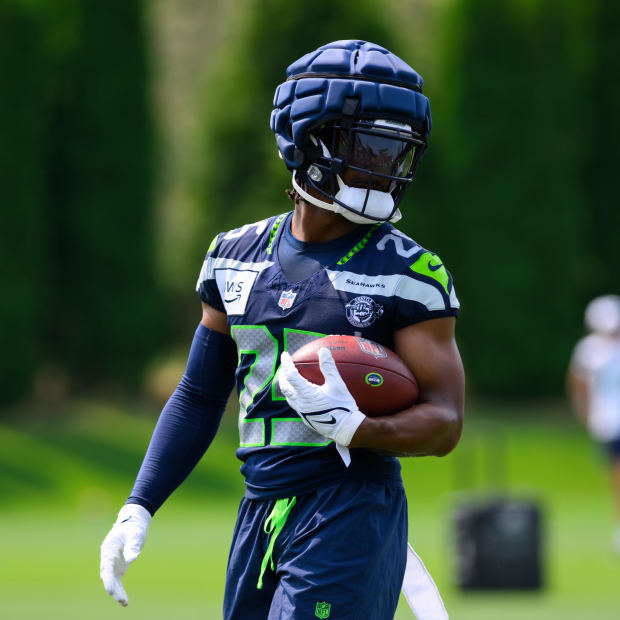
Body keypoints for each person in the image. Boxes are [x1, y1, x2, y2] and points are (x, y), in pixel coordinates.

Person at [100, 40, 464, 619]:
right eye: (367, 144)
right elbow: (198, 395)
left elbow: (446, 421)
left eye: (397, 150)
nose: (384, 165)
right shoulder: (233, 255)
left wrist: (359, 428)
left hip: (349, 509)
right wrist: (138, 504)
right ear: (307, 139)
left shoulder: (409, 270)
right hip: (258, 510)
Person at [567, 295, 620, 554]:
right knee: (616, 475)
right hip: (608, 422)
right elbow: (579, 385)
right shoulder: (590, 349)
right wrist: (586, 416)